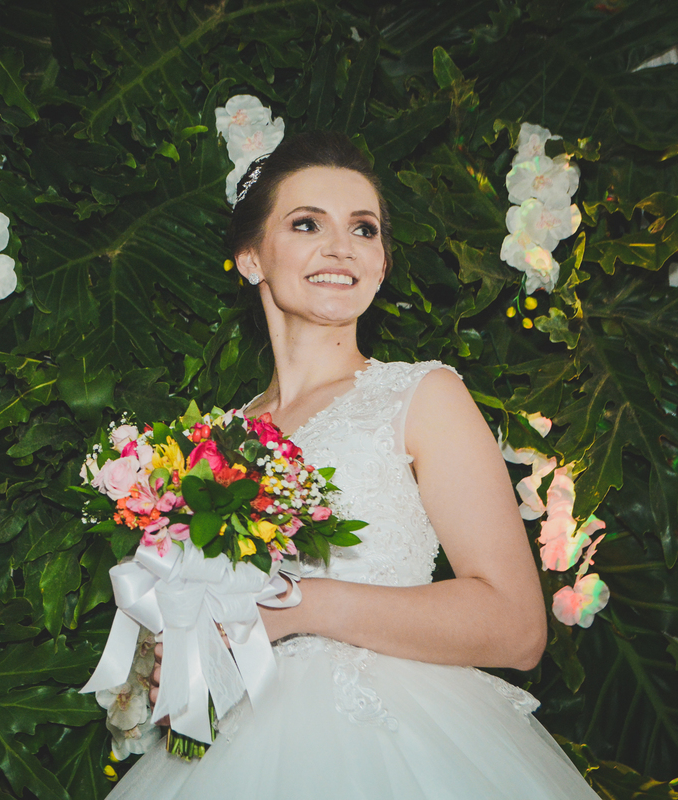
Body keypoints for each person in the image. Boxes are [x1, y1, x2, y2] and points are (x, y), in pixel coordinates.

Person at [106, 132, 600, 799]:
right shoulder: (215, 442)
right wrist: (186, 663)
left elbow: (517, 629)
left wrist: (297, 606)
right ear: (251, 257)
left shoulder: (421, 396)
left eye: (364, 229)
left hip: (398, 743)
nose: (342, 248)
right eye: (307, 224)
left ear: (382, 262)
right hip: (241, 755)